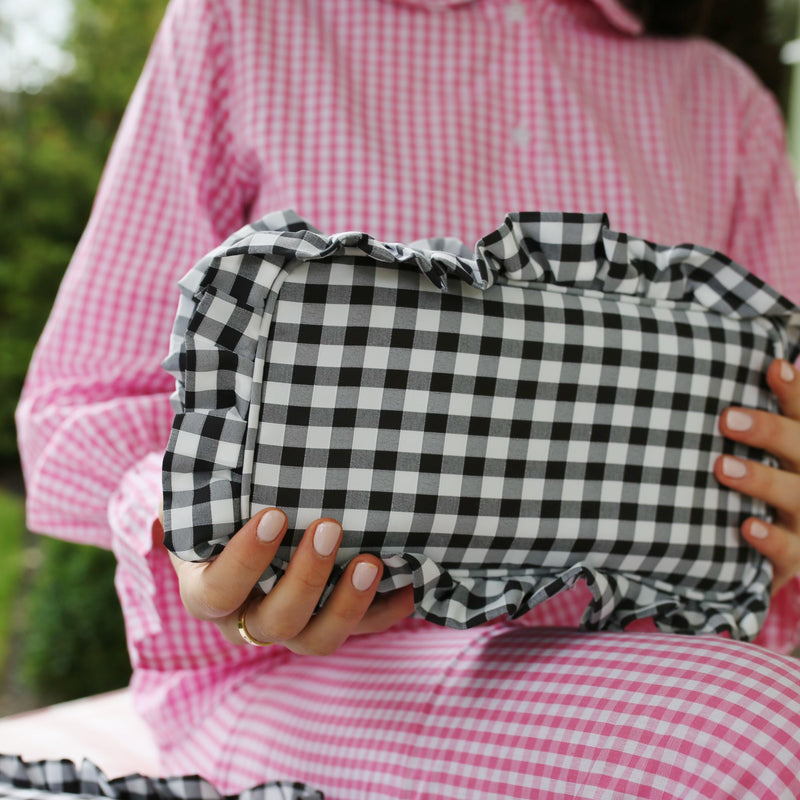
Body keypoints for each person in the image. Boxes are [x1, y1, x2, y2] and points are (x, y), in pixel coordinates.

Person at [15, 0, 800, 797]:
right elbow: (79, 405)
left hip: (660, 649)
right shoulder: (245, 21)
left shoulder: (723, 100)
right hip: (299, 665)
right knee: (758, 743)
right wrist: (199, 535)